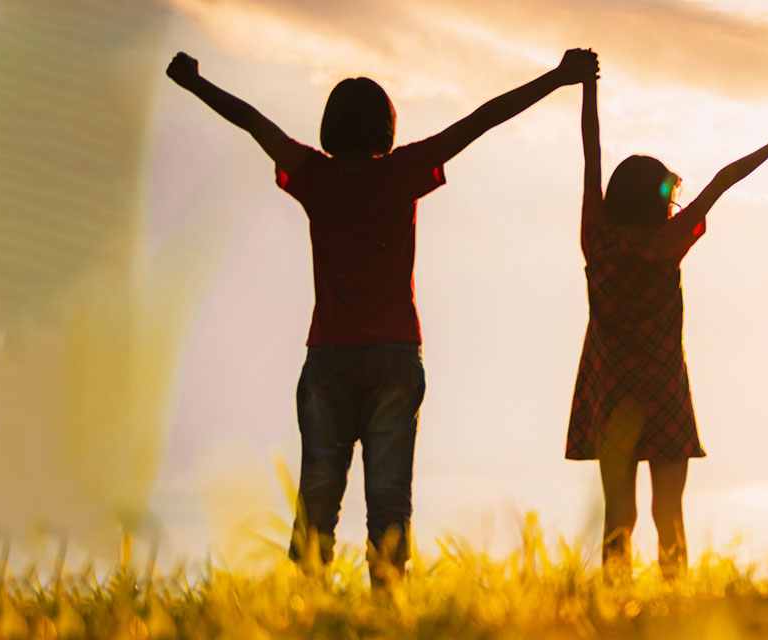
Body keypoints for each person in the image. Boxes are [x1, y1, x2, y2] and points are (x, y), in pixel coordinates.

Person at [166, 48, 599, 586]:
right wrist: (556, 78)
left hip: (329, 359)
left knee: (318, 497)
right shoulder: (403, 171)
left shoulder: (312, 175)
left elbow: (254, 120)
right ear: (385, 127)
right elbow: (482, 119)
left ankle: (306, 608)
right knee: (390, 498)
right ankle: (387, 606)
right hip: (395, 354)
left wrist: (194, 84)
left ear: (331, 126)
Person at [565, 74, 768, 578]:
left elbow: (592, 155)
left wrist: (587, 88)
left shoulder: (597, 241)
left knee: (618, 516)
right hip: (664, 391)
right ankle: (676, 605)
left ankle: (616, 606)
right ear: (660, 203)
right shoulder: (668, 243)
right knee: (668, 513)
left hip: (611, 393)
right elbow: (723, 179)